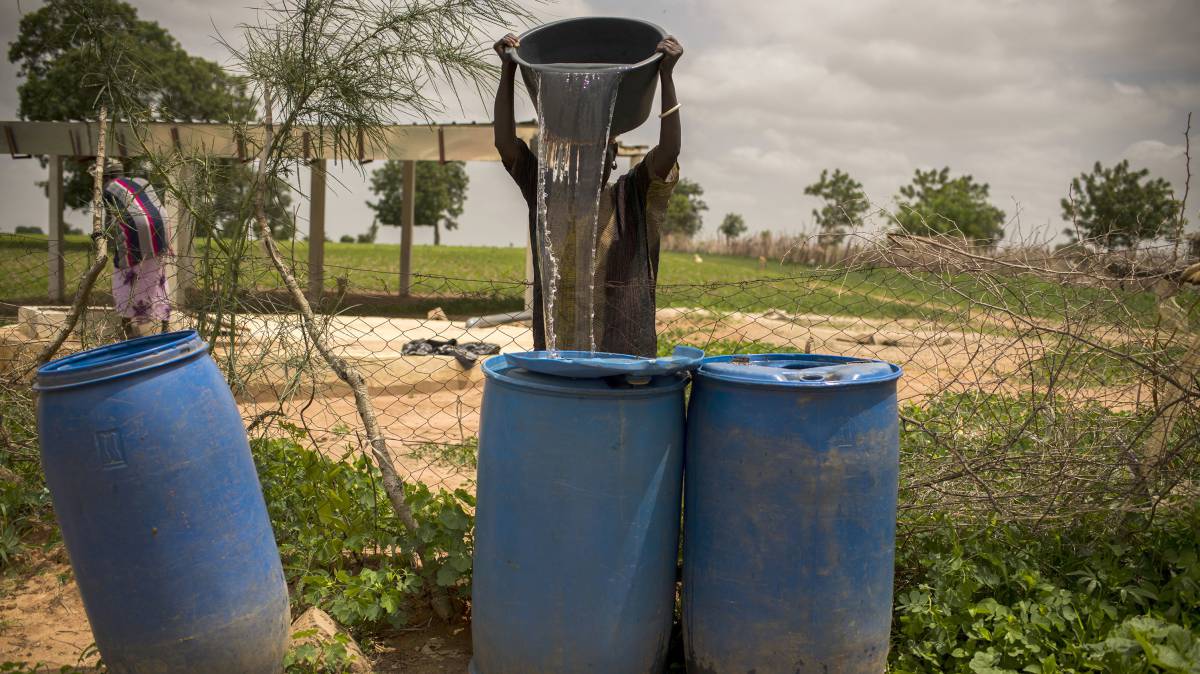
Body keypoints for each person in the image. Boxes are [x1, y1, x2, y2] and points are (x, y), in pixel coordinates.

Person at [493, 32, 684, 357]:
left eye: (600, 150)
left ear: (613, 157)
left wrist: (666, 75)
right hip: (558, 356)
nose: (588, 158)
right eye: (578, 151)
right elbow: (506, 145)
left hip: (624, 359)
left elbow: (668, 151)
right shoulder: (547, 194)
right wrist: (508, 70)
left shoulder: (632, 196)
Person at [102, 161, 172, 339]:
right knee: (157, 277)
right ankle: (165, 327)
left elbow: (111, 223)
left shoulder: (108, 188)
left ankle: (127, 328)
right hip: (161, 227)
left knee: (124, 275)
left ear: (105, 177)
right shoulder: (140, 181)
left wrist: (112, 246)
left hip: (137, 228)